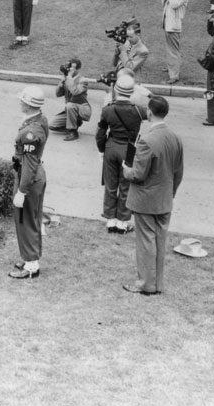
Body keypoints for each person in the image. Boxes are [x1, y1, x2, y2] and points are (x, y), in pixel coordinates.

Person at [121, 95, 184, 295]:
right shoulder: (175, 137)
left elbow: (138, 175)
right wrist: (171, 192)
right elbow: (178, 172)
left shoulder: (147, 140)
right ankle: (157, 284)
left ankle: (146, 284)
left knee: (146, 242)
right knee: (159, 241)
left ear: (149, 112)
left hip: (146, 200)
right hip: (164, 198)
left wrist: (126, 170)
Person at [95, 74, 147, 234]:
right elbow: (156, 107)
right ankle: (122, 222)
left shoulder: (108, 109)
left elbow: (100, 133)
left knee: (110, 184)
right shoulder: (139, 111)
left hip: (111, 146)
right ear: (132, 92)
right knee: (126, 185)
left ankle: (110, 219)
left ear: (115, 90)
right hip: (129, 148)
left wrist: (102, 149)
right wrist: (144, 92)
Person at [9, 86, 49, 279]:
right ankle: (29, 258)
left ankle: (32, 265)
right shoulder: (39, 120)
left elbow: (29, 163)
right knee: (30, 218)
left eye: (22, 100)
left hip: (28, 177)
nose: (20, 102)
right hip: (31, 174)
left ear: (29, 103)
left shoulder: (30, 132)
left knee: (25, 220)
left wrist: (22, 191)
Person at [49, 58, 91, 141]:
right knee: (52, 125)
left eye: (72, 67)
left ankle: (73, 132)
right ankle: (74, 123)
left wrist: (69, 78)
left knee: (69, 105)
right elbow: (58, 94)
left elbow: (75, 92)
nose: (69, 69)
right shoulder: (67, 78)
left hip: (83, 109)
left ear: (77, 69)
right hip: (70, 110)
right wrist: (61, 83)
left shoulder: (83, 80)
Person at [161, 0, 189, 84]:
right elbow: (164, 4)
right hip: (168, 24)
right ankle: (170, 67)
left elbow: (174, 4)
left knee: (173, 51)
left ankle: (174, 75)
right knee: (169, 49)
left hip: (174, 26)